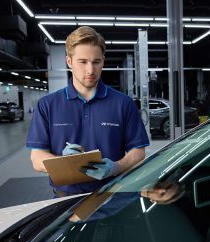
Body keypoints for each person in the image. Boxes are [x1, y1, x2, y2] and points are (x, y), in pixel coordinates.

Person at [27, 26, 149, 197]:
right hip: (64, 201)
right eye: (83, 62)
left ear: (103, 61)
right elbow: (37, 158)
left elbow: (138, 151)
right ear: (69, 61)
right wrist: (62, 162)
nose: (90, 70)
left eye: (96, 62)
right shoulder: (47, 105)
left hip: (113, 197)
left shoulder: (123, 103)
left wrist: (115, 167)